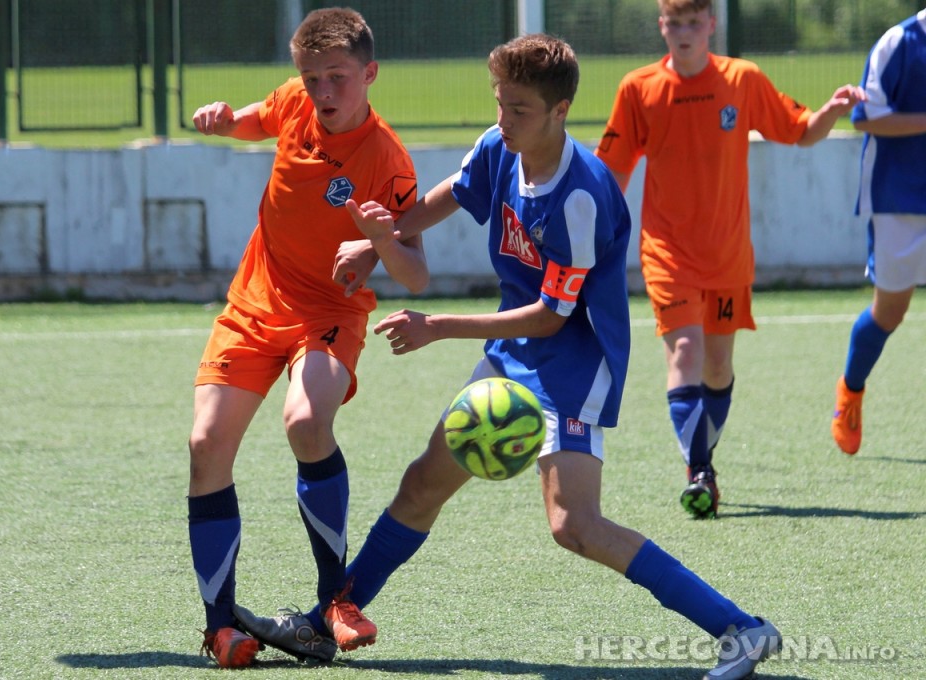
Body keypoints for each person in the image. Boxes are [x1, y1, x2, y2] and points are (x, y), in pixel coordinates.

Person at [234, 34, 782, 680]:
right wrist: (380, 241)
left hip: (573, 364)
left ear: (560, 110)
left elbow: (553, 316)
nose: (503, 120)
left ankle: (741, 629)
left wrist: (438, 326)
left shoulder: (581, 196)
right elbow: (451, 193)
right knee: (422, 485)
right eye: (499, 103)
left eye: (518, 109)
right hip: (513, 350)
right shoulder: (501, 146)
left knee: (574, 524)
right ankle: (327, 620)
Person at [187, 7, 424, 669]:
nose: (323, 91)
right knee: (206, 445)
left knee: (305, 419)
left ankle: (335, 600)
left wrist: (380, 241)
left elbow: (417, 273)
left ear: (370, 74)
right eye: (312, 77)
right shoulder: (295, 100)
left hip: (329, 312)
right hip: (255, 302)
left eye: (337, 77)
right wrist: (224, 120)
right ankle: (220, 627)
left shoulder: (388, 159)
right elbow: (253, 120)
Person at [594, 0, 865, 518]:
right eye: (675, 24)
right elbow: (612, 172)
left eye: (694, 23)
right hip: (666, 252)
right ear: (662, 27)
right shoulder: (638, 88)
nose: (684, 33)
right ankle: (700, 472)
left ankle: (701, 461)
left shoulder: (742, 79)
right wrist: (595, 232)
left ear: (712, 26)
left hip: (727, 254)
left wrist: (830, 111)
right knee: (685, 353)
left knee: (718, 367)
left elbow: (800, 130)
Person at [831, 9, 926, 455]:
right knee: (890, 312)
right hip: (898, 198)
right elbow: (866, 116)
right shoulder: (899, 43)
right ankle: (851, 390)